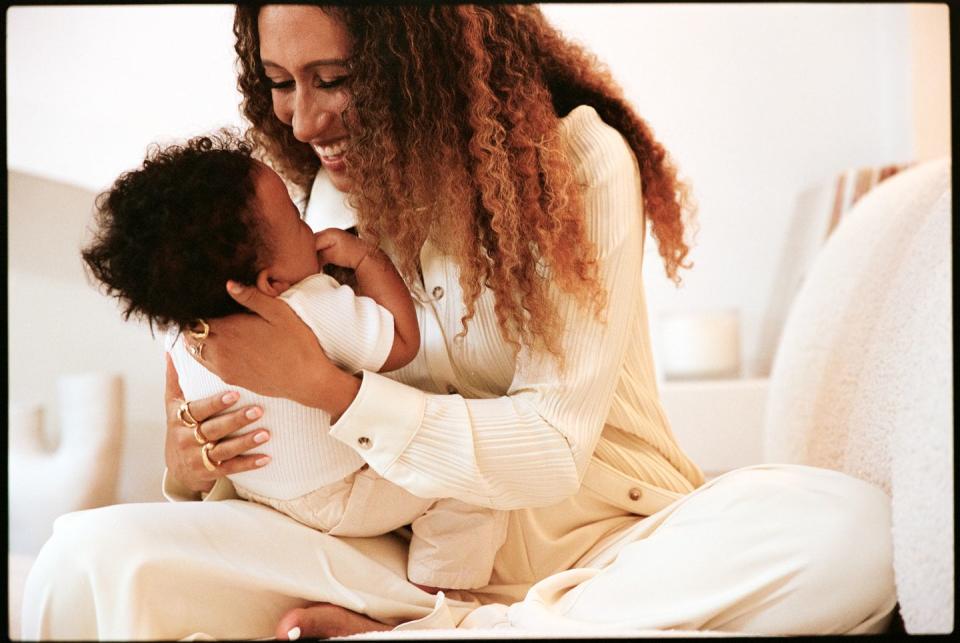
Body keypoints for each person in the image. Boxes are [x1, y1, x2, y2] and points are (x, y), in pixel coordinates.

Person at [23, 4, 896, 639]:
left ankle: (457, 632)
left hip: (609, 546)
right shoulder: (328, 200)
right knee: (91, 554)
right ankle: (449, 622)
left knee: (852, 535)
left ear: (418, 60)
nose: (303, 118)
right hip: (400, 556)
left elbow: (553, 447)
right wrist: (195, 467)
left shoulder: (579, 165)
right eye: (281, 84)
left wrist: (332, 389)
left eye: (335, 79)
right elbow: (301, 451)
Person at [79, 131, 507, 591]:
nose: (309, 225)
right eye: (294, 219)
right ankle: (438, 590)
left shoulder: (182, 332)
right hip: (342, 494)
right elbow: (402, 341)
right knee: (470, 478)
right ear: (271, 282)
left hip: (257, 492)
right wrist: (368, 259)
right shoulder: (309, 306)